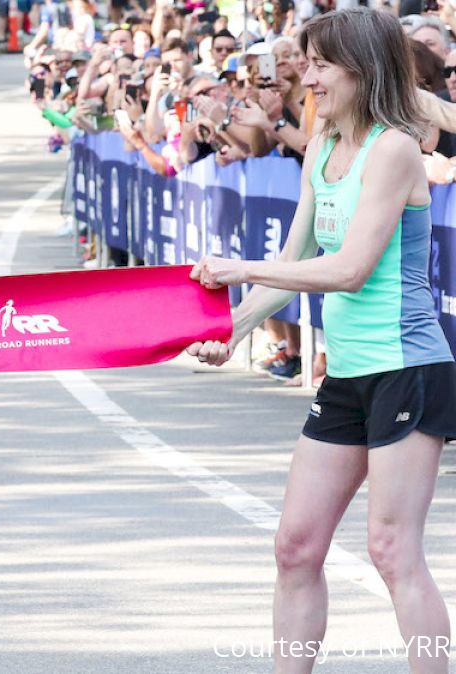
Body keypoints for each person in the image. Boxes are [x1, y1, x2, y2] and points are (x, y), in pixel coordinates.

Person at [187, 8, 456, 673]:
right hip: (349, 374)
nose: (306, 76)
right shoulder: (328, 142)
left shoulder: (393, 147)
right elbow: (291, 269)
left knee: (393, 550)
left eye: (318, 64)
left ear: (361, 70)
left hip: (406, 368)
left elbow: (348, 269)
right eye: (305, 63)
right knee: (295, 546)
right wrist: (232, 329)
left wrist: (241, 268)